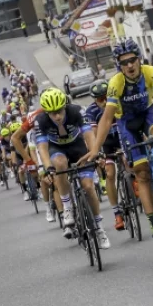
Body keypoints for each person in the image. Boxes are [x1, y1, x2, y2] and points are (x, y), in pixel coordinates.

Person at [84, 39, 153, 250]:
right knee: (142, 173)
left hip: (147, 113)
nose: (129, 65)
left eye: (132, 60)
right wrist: (95, 150)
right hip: (127, 122)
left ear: (139, 59)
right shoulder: (115, 83)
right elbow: (106, 118)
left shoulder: (149, 71)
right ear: (119, 65)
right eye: (124, 62)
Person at [34, 88, 109, 249]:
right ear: (46, 112)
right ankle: (67, 207)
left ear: (65, 106)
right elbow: (42, 147)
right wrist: (48, 167)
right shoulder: (40, 120)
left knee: (88, 186)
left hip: (77, 147)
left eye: (60, 111)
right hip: (57, 149)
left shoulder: (76, 111)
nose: (57, 116)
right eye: (52, 113)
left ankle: (99, 228)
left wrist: (94, 153)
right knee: (59, 165)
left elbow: (89, 135)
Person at [83, 81, 126, 231]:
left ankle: (133, 183)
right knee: (110, 173)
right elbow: (94, 135)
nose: (104, 101)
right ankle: (117, 213)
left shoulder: (117, 101)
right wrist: (98, 153)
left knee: (129, 162)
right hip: (106, 142)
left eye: (106, 97)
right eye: (100, 99)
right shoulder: (91, 111)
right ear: (95, 100)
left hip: (122, 137)